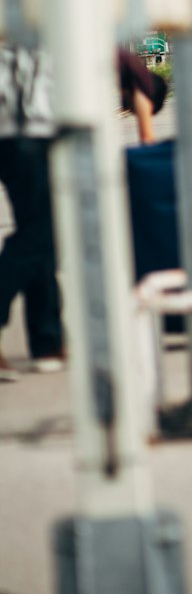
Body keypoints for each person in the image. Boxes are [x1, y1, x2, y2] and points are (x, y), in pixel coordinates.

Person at [0, 46, 64, 378]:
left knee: (40, 231)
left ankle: (47, 341)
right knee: (42, 231)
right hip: (23, 123)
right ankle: (46, 339)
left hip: (26, 122)